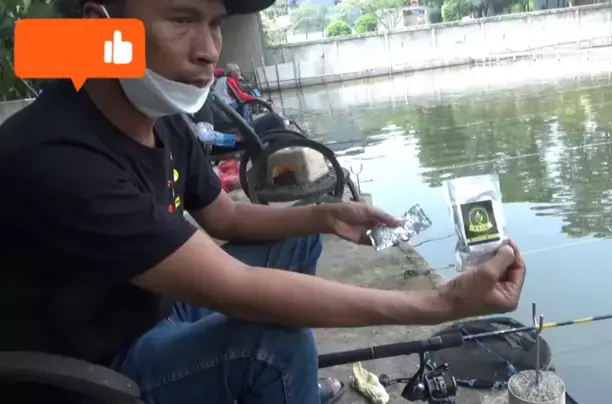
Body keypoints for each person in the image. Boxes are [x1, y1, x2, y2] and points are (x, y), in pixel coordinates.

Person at [0, 1, 527, 404]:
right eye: (182, 19)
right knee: (274, 348)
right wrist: (441, 303)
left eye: (215, 23)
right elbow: (237, 288)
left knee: (297, 240)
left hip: (147, 305)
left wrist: (327, 216)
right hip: (100, 365)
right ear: (100, 30)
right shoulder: (56, 157)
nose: (209, 50)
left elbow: (224, 215)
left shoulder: (161, 121)